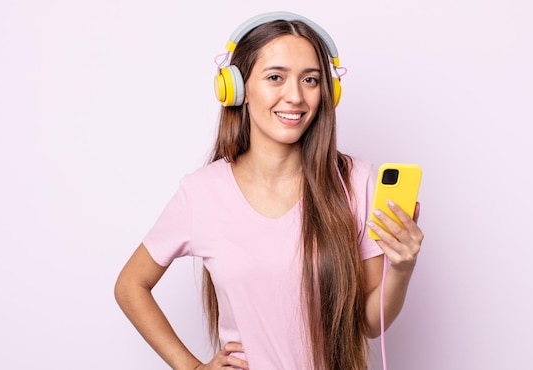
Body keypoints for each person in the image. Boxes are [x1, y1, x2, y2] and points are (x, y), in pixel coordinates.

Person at [114, 11, 424, 370]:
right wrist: (193, 368)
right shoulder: (202, 193)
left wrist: (402, 268)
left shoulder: (355, 181)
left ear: (328, 91)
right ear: (238, 89)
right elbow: (130, 285)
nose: (294, 96)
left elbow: (370, 325)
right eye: (275, 77)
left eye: (310, 80)